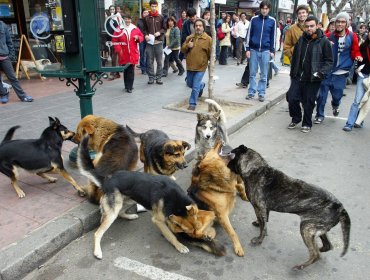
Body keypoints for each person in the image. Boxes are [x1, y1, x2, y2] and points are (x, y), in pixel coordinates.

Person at [287, 16, 333, 133]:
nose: (309, 29)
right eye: (307, 26)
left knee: (309, 102)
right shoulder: (301, 40)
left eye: (311, 26)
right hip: (298, 76)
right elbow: (295, 57)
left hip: (313, 78)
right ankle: (296, 117)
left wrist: (321, 72)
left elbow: (329, 61)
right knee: (291, 97)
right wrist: (293, 72)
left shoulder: (324, 41)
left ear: (317, 26)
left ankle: (307, 123)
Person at [315, 12, 362, 124]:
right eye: (338, 22)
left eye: (343, 22)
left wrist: (358, 56)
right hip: (327, 70)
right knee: (322, 95)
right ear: (335, 23)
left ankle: (335, 105)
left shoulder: (352, 36)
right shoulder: (328, 36)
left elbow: (355, 50)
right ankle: (319, 115)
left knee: (337, 95)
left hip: (341, 72)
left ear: (346, 23)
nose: (340, 24)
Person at [245, 1, 276, 102]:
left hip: (266, 51)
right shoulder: (254, 19)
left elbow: (273, 37)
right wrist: (247, 49)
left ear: (269, 9)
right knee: (252, 73)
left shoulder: (272, 21)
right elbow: (249, 34)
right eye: (263, 8)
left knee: (264, 74)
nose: (264, 10)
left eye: (266, 8)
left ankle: (261, 93)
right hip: (253, 49)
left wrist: (272, 50)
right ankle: (251, 92)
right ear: (260, 9)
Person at [181, 19, 212, 111]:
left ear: (203, 27)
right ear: (194, 27)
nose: (198, 27)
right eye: (196, 26)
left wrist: (211, 62)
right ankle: (201, 86)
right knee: (190, 83)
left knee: (195, 86)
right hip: (190, 65)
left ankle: (192, 103)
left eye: (200, 26)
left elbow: (211, 54)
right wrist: (187, 45)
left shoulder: (208, 39)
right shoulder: (189, 38)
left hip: (201, 66)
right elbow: (182, 50)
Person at [0, 21, 33, 104]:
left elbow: (9, 42)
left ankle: (23, 96)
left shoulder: (3, 25)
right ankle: (3, 94)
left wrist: (11, 56)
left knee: (12, 78)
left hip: (4, 57)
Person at [343, 30, 370, 131]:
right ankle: (349, 123)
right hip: (363, 75)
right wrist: (359, 69)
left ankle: (359, 120)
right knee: (357, 100)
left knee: (366, 101)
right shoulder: (364, 46)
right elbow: (358, 58)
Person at [112, 14, 144, 93]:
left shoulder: (135, 28)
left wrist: (138, 38)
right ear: (123, 20)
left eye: (128, 19)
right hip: (123, 53)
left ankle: (130, 86)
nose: (127, 20)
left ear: (131, 19)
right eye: (125, 19)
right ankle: (126, 85)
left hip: (132, 53)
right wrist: (119, 50)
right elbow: (114, 41)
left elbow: (141, 37)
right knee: (125, 70)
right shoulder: (119, 29)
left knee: (131, 70)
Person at [143, 0, 165, 85]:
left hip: (158, 42)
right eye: (152, 6)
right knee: (149, 61)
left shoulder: (161, 17)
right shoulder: (147, 18)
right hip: (149, 43)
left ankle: (158, 78)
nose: (154, 8)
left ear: (157, 7)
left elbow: (164, 28)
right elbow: (144, 29)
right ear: (150, 7)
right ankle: (151, 78)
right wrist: (145, 35)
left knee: (159, 61)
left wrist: (159, 32)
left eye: (155, 6)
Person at [106, 5, 121, 80]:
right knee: (113, 55)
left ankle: (114, 72)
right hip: (110, 39)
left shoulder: (117, 18)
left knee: (115, 55)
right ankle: (116, 72)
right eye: (110, 9)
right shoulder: (108, 19)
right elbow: (107, 30)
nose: (112, 10)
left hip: (116, 39)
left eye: (113, 9)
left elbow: (119, 28)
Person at [136, 9, 149, 75]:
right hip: (141, 39)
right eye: (144, 13)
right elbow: (136, 31)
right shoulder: (139, 21)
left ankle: (147, 68)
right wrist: (137, 40)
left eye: (147, 13)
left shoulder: (150, 20)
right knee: (142, 54)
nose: (146, 14)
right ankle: (143, 69)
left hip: (148, 39)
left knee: (148, 54)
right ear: (142, 14)